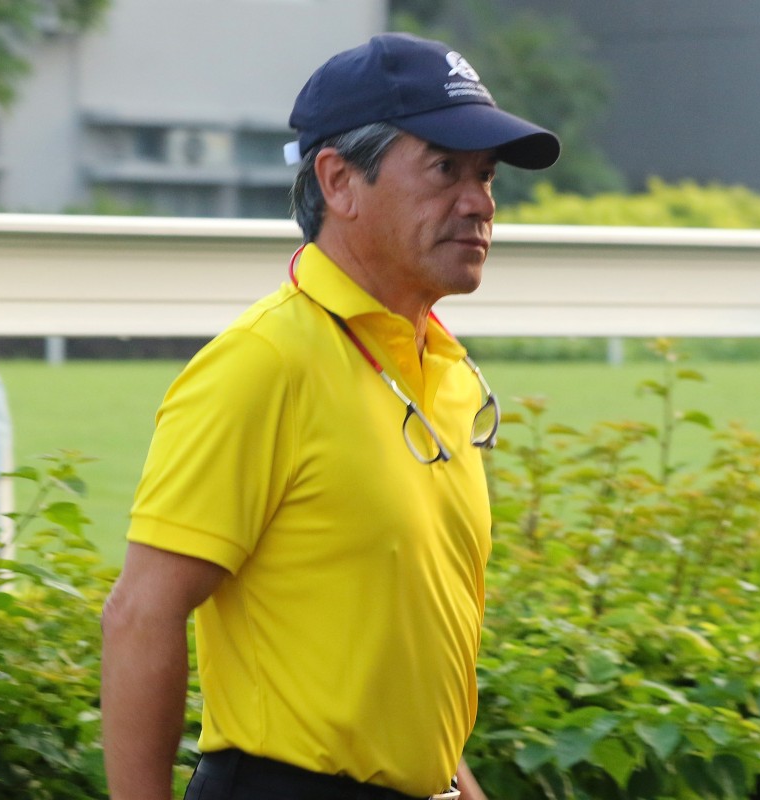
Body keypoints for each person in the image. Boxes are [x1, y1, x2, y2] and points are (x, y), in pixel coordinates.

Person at [100, 32, 560, 800]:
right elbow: (139, 616)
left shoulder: (438, 372)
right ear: (339, 181)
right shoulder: (262, 363)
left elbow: (403, 669)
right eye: (445, 168)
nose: (478, 201)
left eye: (485, 176)